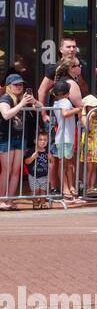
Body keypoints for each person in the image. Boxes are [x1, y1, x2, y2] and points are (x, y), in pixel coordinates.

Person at [0, 74, 38, 208]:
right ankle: (1, 199)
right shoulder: (5, 98)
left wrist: (34, 101)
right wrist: (22, 104)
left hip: (20, 137)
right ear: (9, 86)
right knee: (6, 170)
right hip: (6, 138)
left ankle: (10, 199)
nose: (19, 87)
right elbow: (6, 114)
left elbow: (41, 109)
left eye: (21, 84)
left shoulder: (24, 98)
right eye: (16, 85)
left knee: (16, 171)